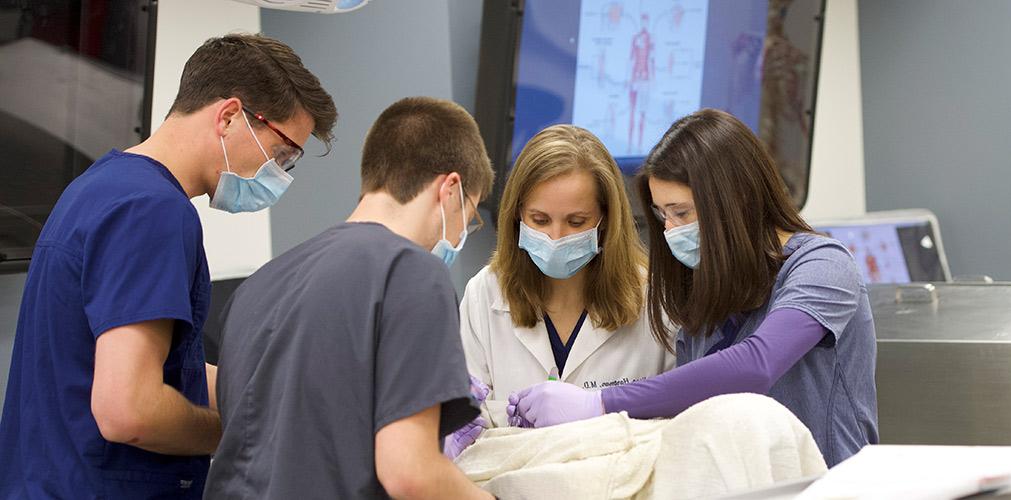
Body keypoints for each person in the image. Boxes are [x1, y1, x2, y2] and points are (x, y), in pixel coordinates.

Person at [0, 34, 336, 498]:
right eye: (281, 156)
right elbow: (130, 410)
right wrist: (245, 435)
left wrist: (284, 387)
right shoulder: (152, 211)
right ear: (229, 115)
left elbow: (155, 367)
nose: (277, 175)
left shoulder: (103, 186)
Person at [508, 108, 879, 467]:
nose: (670, 230)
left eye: (682, 213)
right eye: (661, 214)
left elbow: (757, 365)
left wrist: (598, 403)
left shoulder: (822, 266)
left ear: (736, 199)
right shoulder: (706, 295)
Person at [204, 97, 493, 500]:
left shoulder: (258, 286)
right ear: (451, 188)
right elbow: (410, 471)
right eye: (471, 215)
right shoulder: (410, 272)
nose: (462, 232)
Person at [448, 125, 673, 456]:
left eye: (577, 222)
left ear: (606, 220)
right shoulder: (485, 293)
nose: (555, 236)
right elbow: (470, 429)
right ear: (517, 217)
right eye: (539, 220)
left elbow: (674, 424)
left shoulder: (654, 299)